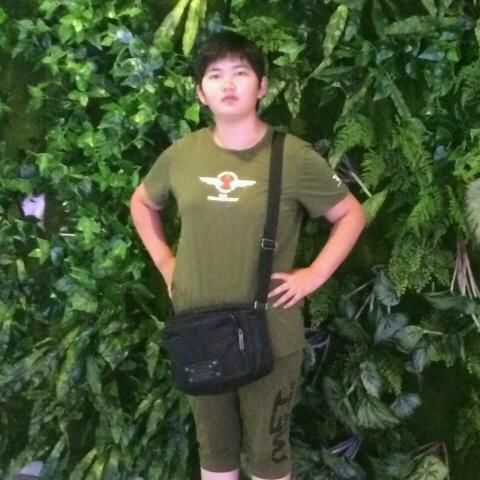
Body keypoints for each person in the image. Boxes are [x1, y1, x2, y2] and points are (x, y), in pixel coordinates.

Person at [130, 30, 366, 480]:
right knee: (214, 453)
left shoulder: (292, 156)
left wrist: (314, 274)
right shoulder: (182, 155)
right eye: (215, 75)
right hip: (199, 331)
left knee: (268, 454)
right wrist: (164, 262)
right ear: (201, 92)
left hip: (269, 333)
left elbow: (350, 215)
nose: (228, 84)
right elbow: (142, 202)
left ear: (262, 86)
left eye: (240, 72)